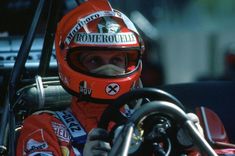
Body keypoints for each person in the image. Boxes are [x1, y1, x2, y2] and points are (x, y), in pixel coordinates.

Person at [16, 0, 144, 155]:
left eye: (116, 60)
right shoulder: (42, 128)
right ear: (74, 63)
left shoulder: (148, 122)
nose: (109, 70)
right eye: (95, 60)